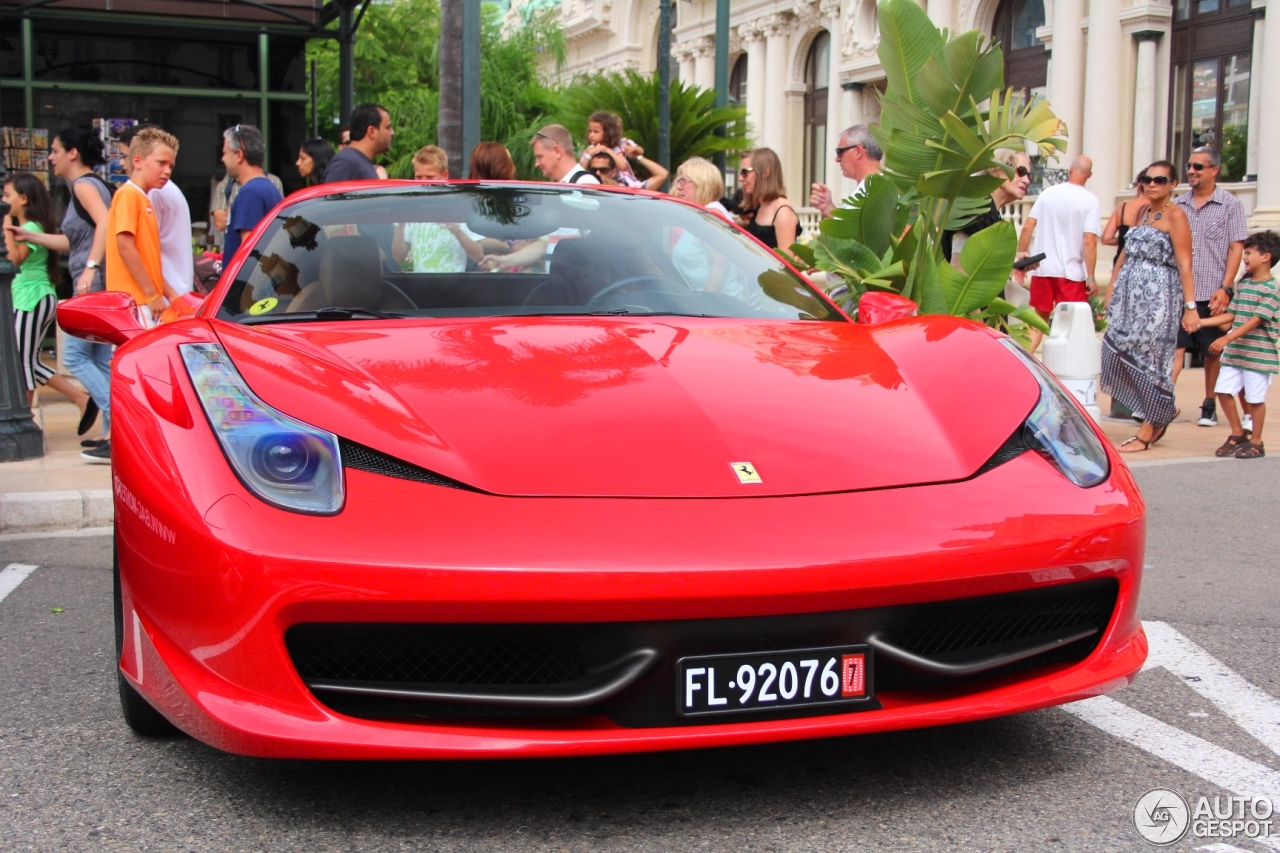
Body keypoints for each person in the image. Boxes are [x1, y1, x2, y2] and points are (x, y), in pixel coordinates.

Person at [6, 127, 113, 448]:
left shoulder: (83, 185)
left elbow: (105, 222)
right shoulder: (87, 185)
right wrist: (32, 236)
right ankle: (112, 433)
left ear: (73, 153)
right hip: (98, 282)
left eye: (54, 150)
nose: (50, 157)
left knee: (77, 358)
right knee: (97, 359)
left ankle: (121, 420)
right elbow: (72, 241)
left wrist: (91, 267)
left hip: (93, 283)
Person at [1101, 161, 1199, 453]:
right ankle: (1161, 408)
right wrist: (1112, 291)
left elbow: (1184, 264)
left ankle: (1147, 428)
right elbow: (1123, 255)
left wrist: (1190, 306)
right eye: (1147, 178)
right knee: (1115, 348)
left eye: (1159, 179)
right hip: (1129, 296)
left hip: (1159, 298)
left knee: (1152, 361)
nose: (1152, 183)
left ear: (1173, 184)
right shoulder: (1140, 212)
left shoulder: (1176, 216)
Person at [2, 174, 95, 431]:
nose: (3, 200)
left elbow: (14, 257)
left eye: (7, 195)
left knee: (22, 361)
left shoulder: (31, 228)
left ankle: (25, 421)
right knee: (29, 360)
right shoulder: (30, 227)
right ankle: (81, 399)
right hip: (30, 297)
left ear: (23, 199)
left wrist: (5, 223)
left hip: (32, 297)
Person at [1174, 146, 1249, 426]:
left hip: (1212, 289)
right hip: (1181, 291)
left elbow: (1236, 247)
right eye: (1189, 166)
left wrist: (1226, 287)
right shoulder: (1178, 205)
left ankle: (1209, 403)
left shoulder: (1230, 204)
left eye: (1198, 166)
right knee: (1176, 347)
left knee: (1212, 352)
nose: (1191, 171)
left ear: (1214, 170)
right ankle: (1164, 401)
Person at [1195, 232, 1280, 458]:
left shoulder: (1272, 290)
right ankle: (1237, 433)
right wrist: (1200, 322)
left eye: (1249, 253)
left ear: (1266, 257)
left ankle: (1257, 441)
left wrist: (1226, 339)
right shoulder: (1244, 286)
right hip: (1236, 353)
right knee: (1222, 390)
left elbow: (1255, 321)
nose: (1245, 257)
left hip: (1258, 355)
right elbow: (1231, 315)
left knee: (1254, 399)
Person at [1016, 156, 1101, 352]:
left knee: (1037, 321)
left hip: (1043, 269)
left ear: (1070, 170)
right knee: (1073, 325)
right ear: (1089, 175)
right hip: (1070, 272)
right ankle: (1067, 371)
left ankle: (1023, 361)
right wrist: (1091, 276)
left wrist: (1021, 257)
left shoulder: (1048, 194)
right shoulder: (1090, 201)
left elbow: (1028, 226)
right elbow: (1089, 240)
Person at [106, 126, 178, 330]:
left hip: (143, 301)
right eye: (161, 163)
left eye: (171, 165)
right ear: (137, 161)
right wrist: (152, 295)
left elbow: (147, 260)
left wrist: (170, 294)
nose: (167, 171)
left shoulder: (141, 197)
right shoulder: (129, 195)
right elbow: (125, 247)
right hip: (137, 303)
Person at [116, 124, 193, 298]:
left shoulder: (154, 192)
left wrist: (155, 295)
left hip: (159, 294)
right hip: (163, 293)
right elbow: (130, 247)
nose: (122, 162)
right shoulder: (139, 193)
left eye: (170, 166)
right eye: (162, 163)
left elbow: (133, 249)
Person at [391, 145, 483, 272]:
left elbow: (479, 256)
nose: (423, 183)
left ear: (445, 175)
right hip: (421, 287)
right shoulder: (410, 208)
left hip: (453, 287)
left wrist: (457, 231)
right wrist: (400, 225)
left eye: (430, 177)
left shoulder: (460, 207)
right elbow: (398, 257)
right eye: (418, 177)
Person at [942, 148, 1032, 262]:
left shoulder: (990, 210)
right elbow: (959, 264)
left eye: (1029, 176)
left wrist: (1013, 260)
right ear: (996, 170)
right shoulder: (974, 207)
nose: (1026, 180)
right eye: (1022, 171)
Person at [221, 124, 284, 263]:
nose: (222, 159)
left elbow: (249, 256)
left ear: (239, 155)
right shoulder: (269, 188)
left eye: (225, 153)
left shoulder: (250, 193)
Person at [809, 124, 883, 217]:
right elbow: (851, 227)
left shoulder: (878, 190)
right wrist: (828, 207)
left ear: (858, 151)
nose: (837, 159)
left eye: (840, 152)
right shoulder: (871, 188)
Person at [738, 148, 798, 251]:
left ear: (766, 172)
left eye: (745, 172)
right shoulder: (760, 206)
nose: (741, 178)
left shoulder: (782, 211)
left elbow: (786, 261)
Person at [324, 104, 394, 183]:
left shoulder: (355, 161)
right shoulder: (346, 163)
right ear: (371, 131)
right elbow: (334, 195)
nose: (392, 133)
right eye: (388, 128)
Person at [580, 111, 643, 187]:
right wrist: (589, 154)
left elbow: (623, 166)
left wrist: (607, 150)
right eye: (590, 131)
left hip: (617, 184)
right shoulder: (590, 149)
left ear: (607, 132)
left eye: (596, 132)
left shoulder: (615, 148)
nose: (591, 135)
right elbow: (581, 169)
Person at [1102, 170, 1149, 268]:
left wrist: (1123, 239)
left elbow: (1106, 239)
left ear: (1139, 186)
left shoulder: (1123, 207)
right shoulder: (1161, 209)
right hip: (1146, 265)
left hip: (1122, 264)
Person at [530, 125, 600, 184]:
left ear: (557, 151)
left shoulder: (584, 183)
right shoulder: (562, 184)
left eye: (540, 157)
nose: (537, 164)